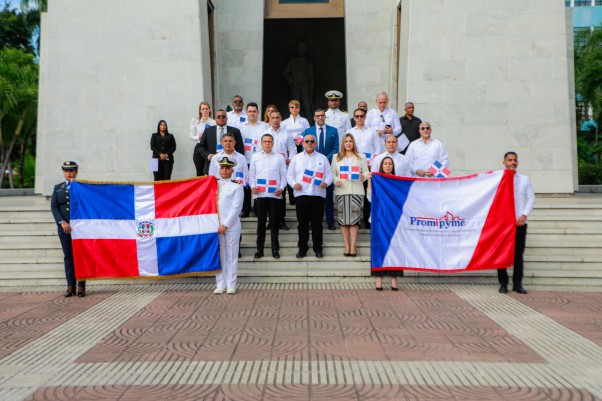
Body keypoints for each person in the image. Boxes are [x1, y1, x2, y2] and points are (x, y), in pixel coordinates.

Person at [287, 134, 333, 258]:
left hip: (318, 194)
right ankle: (302, 248)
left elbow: (329, 175)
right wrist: (294, 184)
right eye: (307, 141)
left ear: (315, 144)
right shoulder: (296, 158)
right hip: (301, 195)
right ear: (303, 143)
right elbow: (289, 175)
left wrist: (326, 183)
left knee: (317, 224)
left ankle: (318, 248)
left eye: (312, 141)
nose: (309, 143)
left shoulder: (322, 158)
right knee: (302, 223)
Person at [498, 151, 535, 295]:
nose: (513, 162)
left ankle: (518, 284)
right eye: (510, 160)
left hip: (519, 222)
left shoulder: (524, 179)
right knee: (502, 254)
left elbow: (531, 198)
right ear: (504, 162)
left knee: (518, 255)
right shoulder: (498, 179)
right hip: (502, 223)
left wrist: (524, 215)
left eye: (515, 160)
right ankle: (503, 284)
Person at [249, 134, 287, 259]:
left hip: (274, 196)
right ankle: (259, 249)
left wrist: (281, 188)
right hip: (260, 195)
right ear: (261, 143)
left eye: (269, 141)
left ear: (273, 142)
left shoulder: (279, 157)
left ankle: (275, 249)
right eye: (265, 141)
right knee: (261, 224)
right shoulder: (255, 157)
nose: (267, 143)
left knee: (274, 224)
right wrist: (252, 186)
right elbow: (252, 175)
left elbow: (283, 175)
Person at [367, 156, 403, 291]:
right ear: (381, 166)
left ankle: (394, 278)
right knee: (378, 248)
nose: (388, 166)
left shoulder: (398, 182)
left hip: (394, 220)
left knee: (395, 248)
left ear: (393, 167)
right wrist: (370, 181)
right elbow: (370, 197)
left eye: (390, 164)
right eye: (385, 163)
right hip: (378, 219)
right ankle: (378, 279)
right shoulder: (377, 180)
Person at [51, 161, 86, 297]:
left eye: (71, 170)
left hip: (80, 229)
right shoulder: (57, 188)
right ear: (64, 172)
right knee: (68, 256)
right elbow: (54, 206)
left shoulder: (83, 187)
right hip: (64, 228)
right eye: (66, 171)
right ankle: (70, 286)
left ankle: (81, 286)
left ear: (76, 171)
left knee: (81, 256)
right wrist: (62, 222)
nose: (69, 173)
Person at [330, 134, 369, 257]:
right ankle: (346, 245)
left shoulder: (361, 157)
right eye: (346, 141)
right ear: (343, 143)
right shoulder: (336, 157)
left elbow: (366, 172)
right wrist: (336, 180)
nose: (348, 143)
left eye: (350, 141)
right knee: (343, 220)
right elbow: (332, 173)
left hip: (356, 190)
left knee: (354, 220)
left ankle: (353, 246)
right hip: (341, 190)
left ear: (353, 143)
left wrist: (363, 177)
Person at [303, 108, 339, 230]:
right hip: (312, 167)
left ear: (325, 116)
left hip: (327, 165)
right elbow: (306, 147)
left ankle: (330, 221)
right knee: (312, 195)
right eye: (317, 116)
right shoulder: (308, 130)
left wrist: (324, 158)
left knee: (328, 194)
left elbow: (335, 148)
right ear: (314, 118)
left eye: (322, 115)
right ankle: (310, 221)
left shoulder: (333, 131)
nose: (320, 118)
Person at [348, 108, 383, 228]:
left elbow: (378, 149)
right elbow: (347, 150)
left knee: (369, 195)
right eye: (357, 116)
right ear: (354, 118)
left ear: (365, 117)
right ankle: (355, 220)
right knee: (356, 194)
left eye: (361, 116)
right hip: (355, 168)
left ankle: (368, 221)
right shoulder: (350, 132)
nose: (359, 118)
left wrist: (372, 164)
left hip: (370, 167)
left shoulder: (372, 132)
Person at [214, 156, 244, 295]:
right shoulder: (212, 185)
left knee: (231, 256)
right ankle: (220, 284)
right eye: (222, 168)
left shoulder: (237, 186)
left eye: (227, 168)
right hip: (216, 226)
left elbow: (236, 208)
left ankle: (231, 284)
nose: (224, 170)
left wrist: (225, 225)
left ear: (232, 170)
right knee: (220, 257)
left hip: (231, 226)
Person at [265, 110, 297, 230]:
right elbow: (261, 149)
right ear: (269, 119)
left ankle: (281, 220)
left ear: (281, 119)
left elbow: (293, 149)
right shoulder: (266, 133)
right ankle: (271, 221)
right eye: (273, 118)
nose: (275, 120)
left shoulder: (287, 133)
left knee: (281, 194)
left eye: (277, 117)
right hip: (270, 168)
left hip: (283, 168)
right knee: (270, 195)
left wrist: (290, 159)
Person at [239, 102, 269, 217]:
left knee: (259, 184)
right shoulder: (240, 127)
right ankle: (245, 209)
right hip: (245, 160)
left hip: (260, 161)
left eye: (254, 111)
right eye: (250, 111)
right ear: (246, 112)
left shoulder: (264, 126)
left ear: (258, 112)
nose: (252, 114)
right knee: (245, 185)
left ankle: (258, 209)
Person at [282, 99, 311, 205]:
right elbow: (283, 134)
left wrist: (300, 141)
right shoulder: (284, 122)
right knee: (290, 170)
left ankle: (301, 192)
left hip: (300, 146)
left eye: (296, 107)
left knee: (300, 169)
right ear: (289, 109)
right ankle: (291, 196)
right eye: (292, 107)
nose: (294, 109)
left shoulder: (304, 120)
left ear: (299, 108)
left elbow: (307, 132)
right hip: (289, 148)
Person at [199, 109, 244, 175]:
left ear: (227, 118)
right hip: (212, 165)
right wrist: (208, 156)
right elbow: (200, 147)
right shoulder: (208, 131)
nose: (221, 118)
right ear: (215, 119)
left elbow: (240, 149)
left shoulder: (235, 131)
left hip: (231, 166)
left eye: (223, 116)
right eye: (219, 117)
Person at [283, 42, 314, 118]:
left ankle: (310, 124)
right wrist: (292, 82)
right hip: (295, 87)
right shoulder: (292, 61)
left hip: (305, 87)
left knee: (307, 106)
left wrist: (311, 89)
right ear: (297, 49)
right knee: (294, 107)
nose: (302, 50)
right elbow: (285, 73)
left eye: (303, 48)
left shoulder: (308, 63)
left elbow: (312, 76)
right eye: (300, 48)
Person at [190, 101, 216, 176]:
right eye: (203, 109)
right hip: (199, 146)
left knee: (210, 170)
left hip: (210, 147)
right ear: (200, 110)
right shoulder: (195, 121)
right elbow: (191, 135)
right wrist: (198, 137)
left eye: (206, 109)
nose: (205, 110)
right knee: (199, 171)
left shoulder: (213, 122)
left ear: (209, 110)